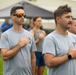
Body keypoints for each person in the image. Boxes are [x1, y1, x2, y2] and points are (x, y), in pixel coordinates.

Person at [0, 6, 37, 75]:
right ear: (12, 17)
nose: (22, 17)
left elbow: (33, 57)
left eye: (24, 15)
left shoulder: (30, 35)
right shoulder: (6, 35)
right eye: (20, 15)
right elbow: (4, 56)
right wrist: (19, 45)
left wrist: (33, 73)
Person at [42, 5, 76, 75]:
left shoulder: (74, 37)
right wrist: (69, 56)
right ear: (58, 19)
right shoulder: (50, 39)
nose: (70, 20)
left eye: (71, 17)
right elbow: (49, 63)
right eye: (67, 17)